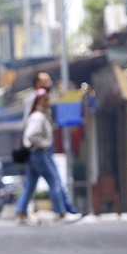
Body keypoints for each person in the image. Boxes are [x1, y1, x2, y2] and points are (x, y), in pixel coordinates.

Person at [14, 88, 81, 224]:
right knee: (54, 181)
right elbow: (32, 135)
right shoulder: (38, 116)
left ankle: (21, 213)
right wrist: (45, 143)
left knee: (30, 185)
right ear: (39, 101)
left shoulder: (40, 115)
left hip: (33, 155)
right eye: (45, 99)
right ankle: (61, 213)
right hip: (39, 153)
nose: (48, 102)